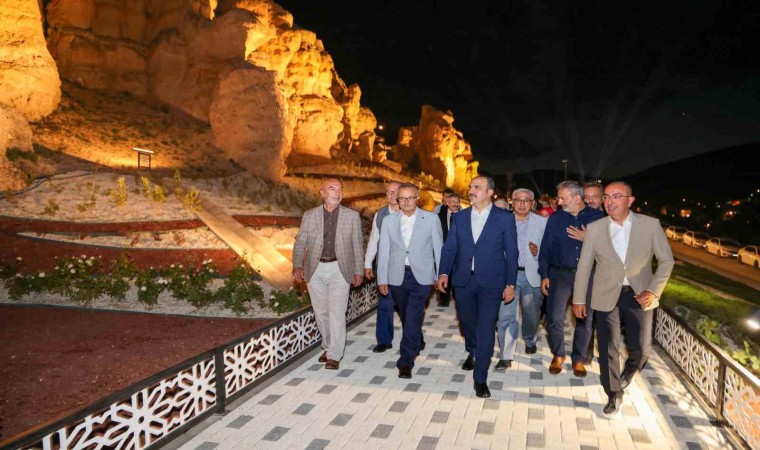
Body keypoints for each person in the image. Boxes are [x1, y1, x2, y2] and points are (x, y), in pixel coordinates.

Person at [572, 181, 673, 419]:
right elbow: (584, 266)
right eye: (607, 197)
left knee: (641, 349)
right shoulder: (595, 228)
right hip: (605, 294)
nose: (610, 201)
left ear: (630, 200)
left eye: (616, 196)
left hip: (639, 295)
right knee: (608, 347)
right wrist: (578, 299)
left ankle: (626, 375)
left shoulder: (650, 225)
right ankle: (613, 393)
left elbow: (666, 261)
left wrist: (654, 291)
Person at [436, 176, 518, 398]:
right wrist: (444, 272)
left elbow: (512, 253)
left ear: (490, 192)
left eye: (477, 187)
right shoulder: (460, 217)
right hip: (463, 281)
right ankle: (472, 350)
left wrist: (510, 283)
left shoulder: (504, 218)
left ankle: (480, 378)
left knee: (485, 327)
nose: (471, 190)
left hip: (492, 283)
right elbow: (450, 247)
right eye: (470, 187)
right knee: (467, 322)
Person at [292, 178, 364, 370]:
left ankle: (334, 355)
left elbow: (357, 245)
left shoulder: (352, 216)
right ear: (322, 192)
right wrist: (297, 265)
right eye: (332, 189)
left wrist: (358, 270)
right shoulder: (310, 215)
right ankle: (328, 345)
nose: (337, 192)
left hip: (340, 269)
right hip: (315, 269)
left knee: (337, 312)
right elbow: (300, 242)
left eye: (340, 189)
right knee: (321, 312)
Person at [538, 180, 604, 377]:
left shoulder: (598, 218)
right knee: (554, 317)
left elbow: (609, 249)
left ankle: (579, 359)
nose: (558, 202)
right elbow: (546, 248)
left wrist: (589, 237)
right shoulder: (556, 218)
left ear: (577, 198)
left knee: (585, 319)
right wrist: (544, 274)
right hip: (559, 274)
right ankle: (558, 354)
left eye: (562, 198)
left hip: (588, 275)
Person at [377, 183, 443, 379]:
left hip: (421, 275)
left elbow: (439, 248)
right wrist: (382, 278)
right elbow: (384, 251)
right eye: (402, 198)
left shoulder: (431, 219)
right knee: (407, 314)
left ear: (417, 197)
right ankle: (417, 339)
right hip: (397, 275)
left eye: (410, 197)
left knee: (414, 314)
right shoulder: (389, 221)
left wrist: (441, 275)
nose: (406, 202)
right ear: (397, 199)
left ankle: (406, 360)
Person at [495, 188, 547, 370]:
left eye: (526, 200)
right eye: (518, 200)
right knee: (506, 315)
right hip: (508, 275)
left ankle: (530, 339)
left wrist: (538, 253)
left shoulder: (542, 223)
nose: (522, 204)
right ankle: (506, 355)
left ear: (533, 203)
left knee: (531, 314)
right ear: (512, 202)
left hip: (533, 275)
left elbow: (549, 250)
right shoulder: (503, 221)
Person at [364, 180, 401, 352]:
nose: (392, 195)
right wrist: (368, 263)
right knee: (385, 303)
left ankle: (415, 338)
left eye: (395, 191)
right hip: (384, 266)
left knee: (408, 305)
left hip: (406, 267)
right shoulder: (380, 214)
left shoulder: (412, 213)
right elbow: (374, 239)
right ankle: (384, 340)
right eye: (388, 192)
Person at [579, 181, 606, 364]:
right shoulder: (578, 217)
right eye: (586, 197)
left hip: (607, 275)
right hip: (587, 274)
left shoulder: (610, 217)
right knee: (586, 316)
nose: (589, 201)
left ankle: (606, 354)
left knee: (605, 317)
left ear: (602, 198)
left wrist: (588, 238)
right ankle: (585, 353)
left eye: (594, 197)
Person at [436, 193, 461, 306]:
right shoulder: (438, 216)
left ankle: (457, 297)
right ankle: (444, 299)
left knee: (457, 274)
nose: (456, 204)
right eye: (453, 202)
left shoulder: (464, 216)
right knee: (444, 272)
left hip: (459, 251)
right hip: (443, 250)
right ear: (447, 203)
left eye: (457, 202)